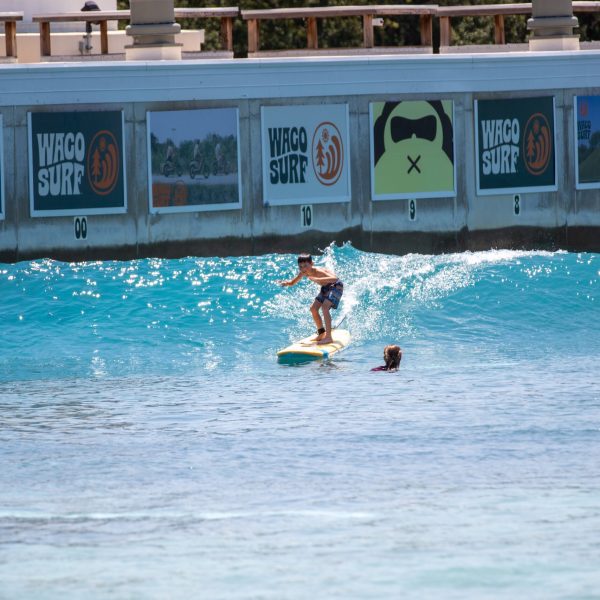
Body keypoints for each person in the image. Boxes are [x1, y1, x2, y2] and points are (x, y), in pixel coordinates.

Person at [279, 253, 344, 345]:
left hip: (336, 286)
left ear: (312, 264)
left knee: (325, 308)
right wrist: (287, 283)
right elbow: (293, 282)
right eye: (300, 266)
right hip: (326, 288)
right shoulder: (303, 273)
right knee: (313, 309)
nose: (303, 268)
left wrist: (318, 278)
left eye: (305, 266)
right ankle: (321, 333)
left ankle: (329, 337)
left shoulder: (318, 272)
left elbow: (335, 278)